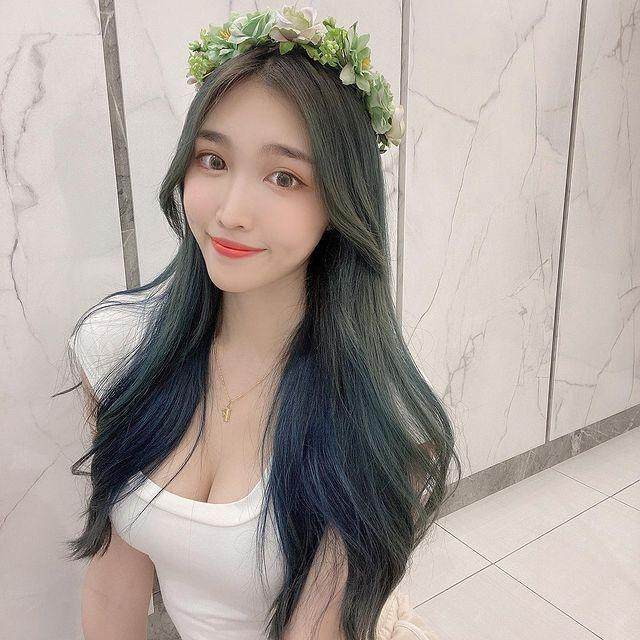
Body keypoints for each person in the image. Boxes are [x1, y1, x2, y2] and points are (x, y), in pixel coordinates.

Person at [57, 5, 461, 639]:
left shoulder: (372, 421)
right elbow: (113, 587)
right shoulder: (119, 350)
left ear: (341, 202)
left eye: (283, 177)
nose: (232, 212)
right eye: (213, 161)